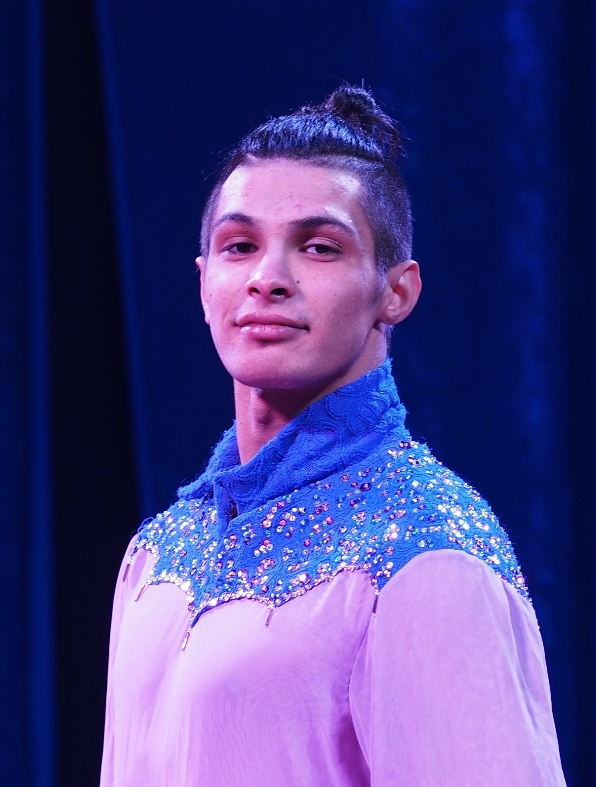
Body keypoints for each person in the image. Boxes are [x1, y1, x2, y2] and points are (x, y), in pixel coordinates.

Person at [100, 85, 566, 786]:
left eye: (319, 248)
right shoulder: (157, 553)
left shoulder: (426, 554)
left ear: (395, 292)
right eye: (239, 246)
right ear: (203, 284)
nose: (267, 279)